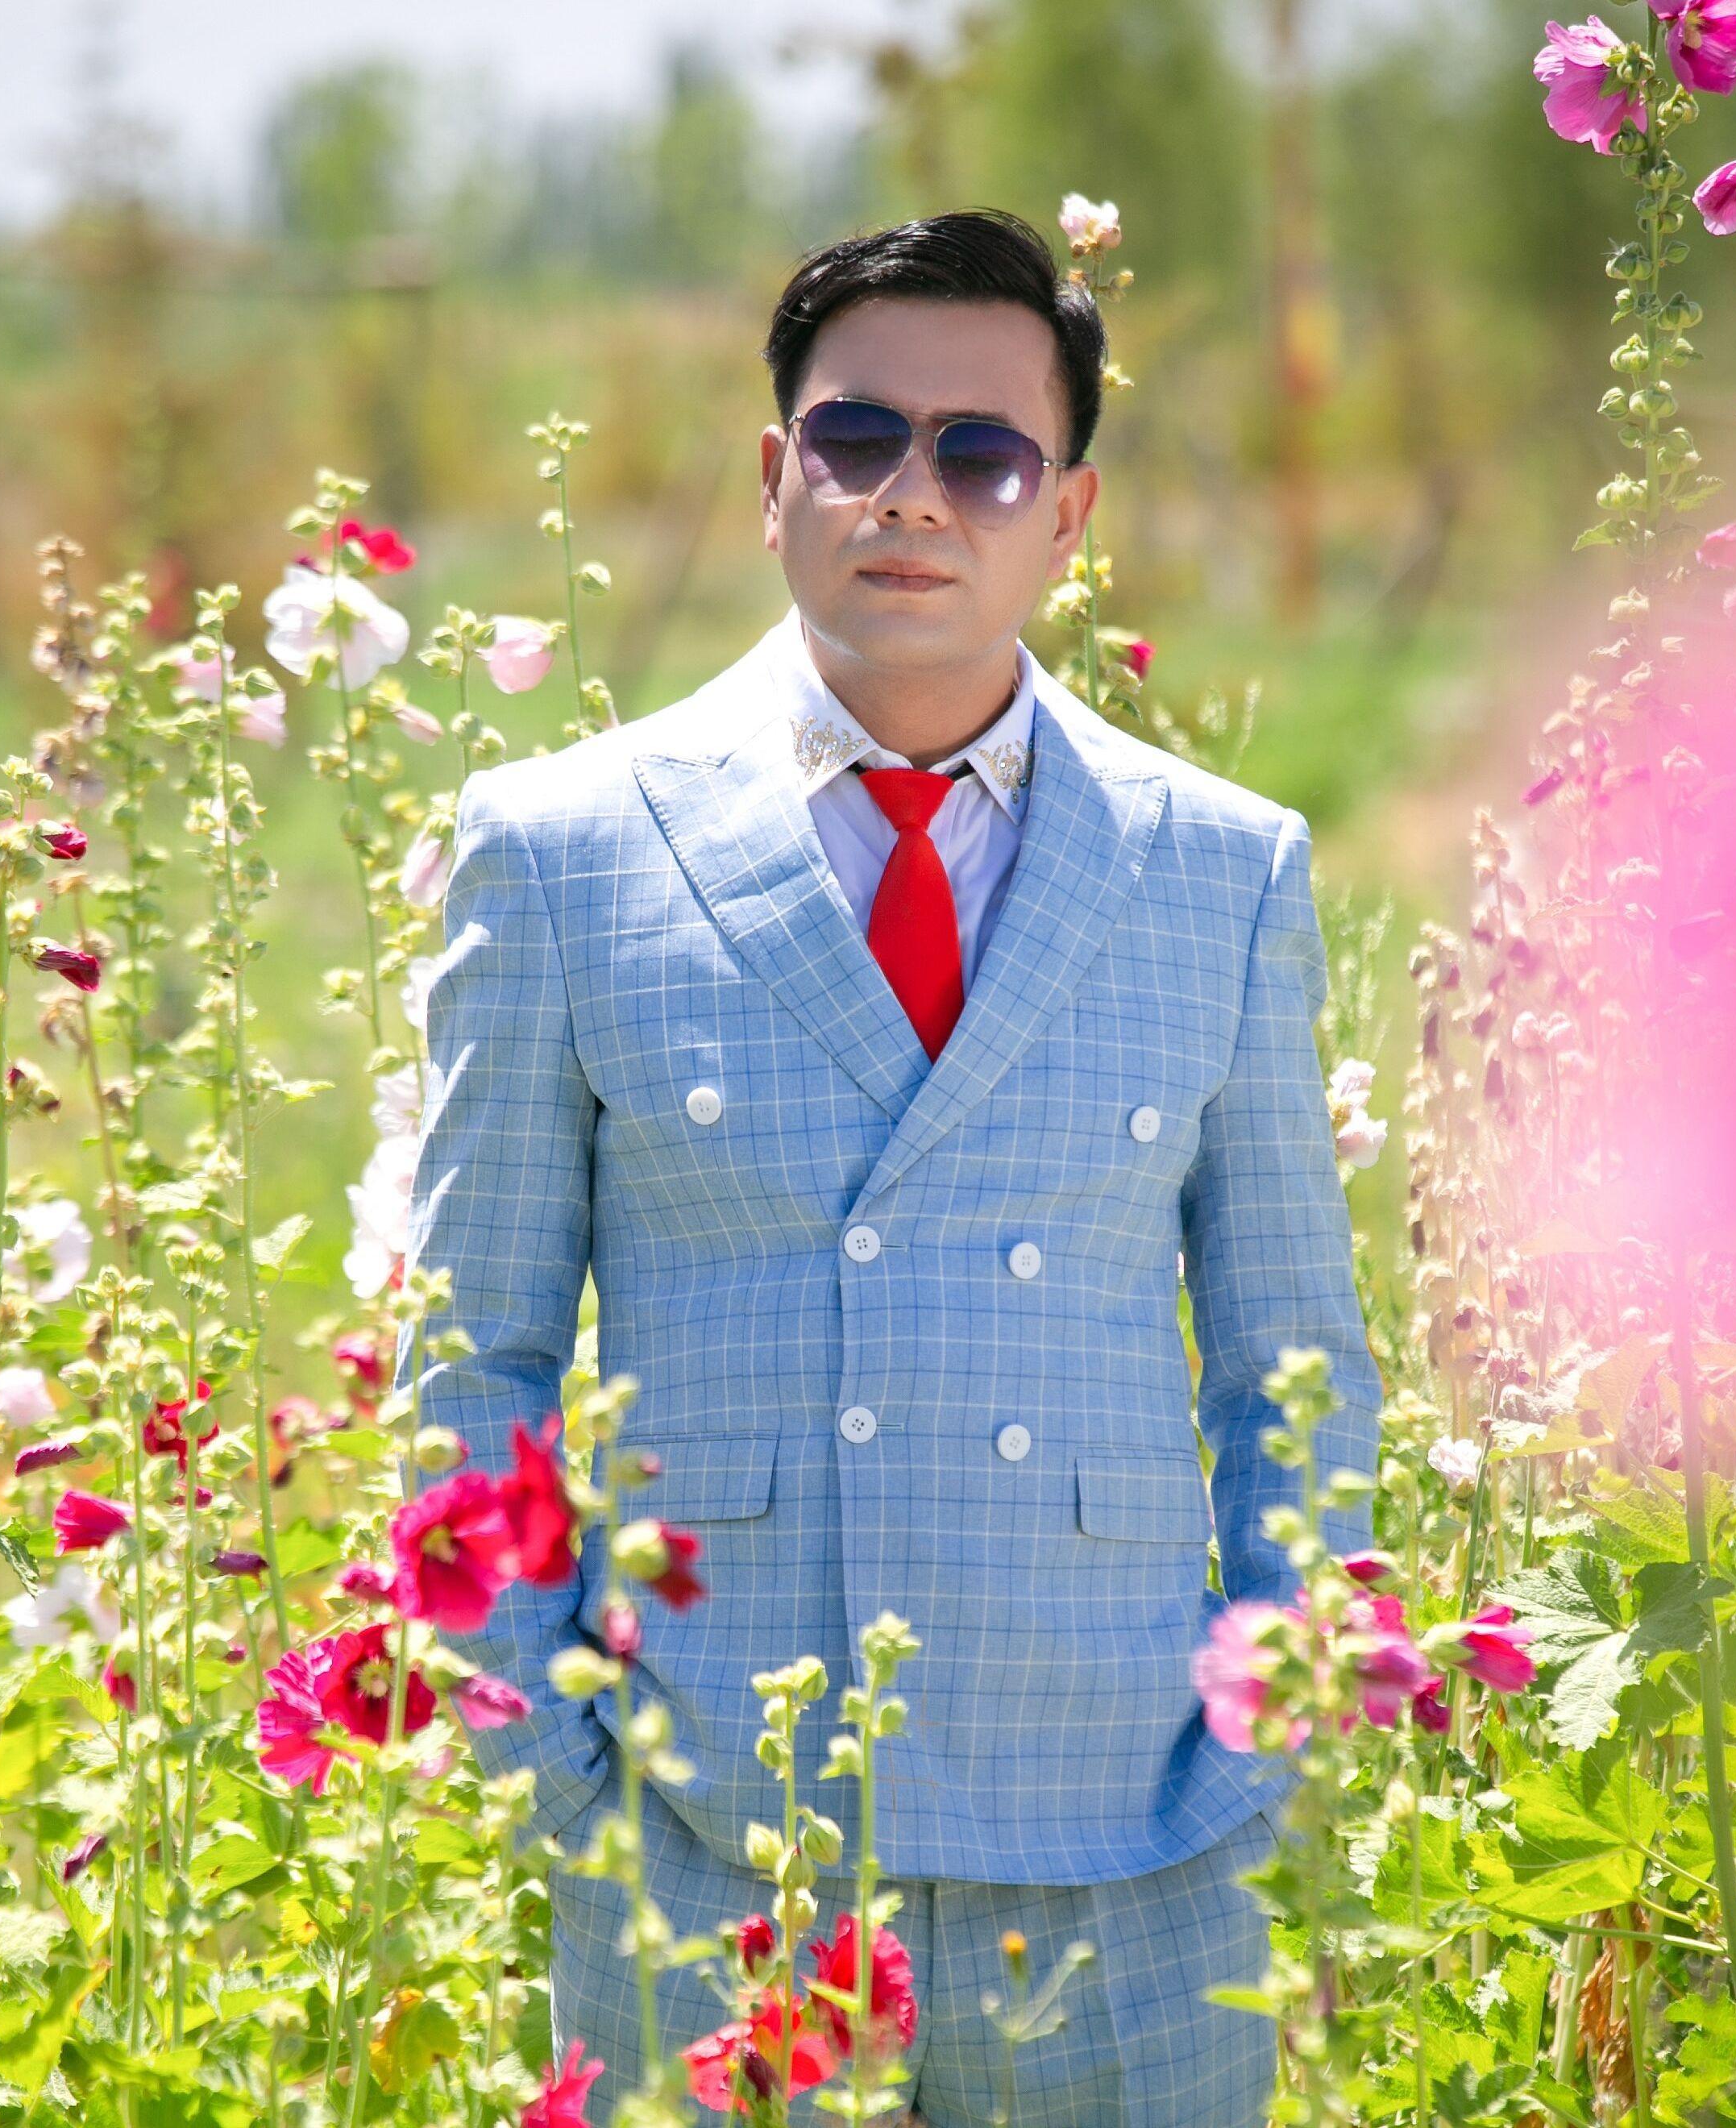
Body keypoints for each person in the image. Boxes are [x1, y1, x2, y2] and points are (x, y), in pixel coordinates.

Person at [397, 206, 1381, 2128]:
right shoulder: (566, 850)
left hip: (1138, 1855)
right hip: (708, 1849)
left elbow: (1295, 1359)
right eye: (858, 440)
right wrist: (559, 1772)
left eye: (982, 454)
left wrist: (1275, 1763)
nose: (910, 496)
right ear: (775, 480)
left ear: (1068, 514)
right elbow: (474, 1350)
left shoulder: (1222, 870)